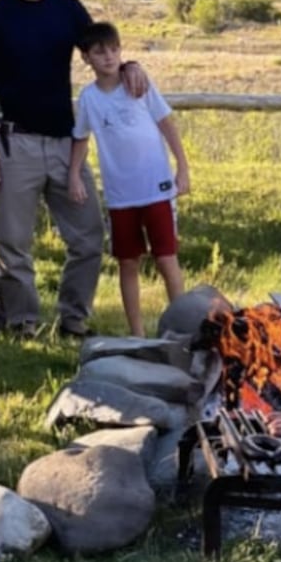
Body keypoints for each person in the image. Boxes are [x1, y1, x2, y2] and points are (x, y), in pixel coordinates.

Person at [0, 0, 147, 339]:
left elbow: (101, 53)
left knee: (88, 237)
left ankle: (73, 320)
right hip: (15, 144)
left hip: (67, 143)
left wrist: (130, 66)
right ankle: (24, 324)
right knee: (14, 245)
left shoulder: (68, 10)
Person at [69, 21, 190, 337]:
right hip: (121, 195)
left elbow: (166, 123)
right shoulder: (89, 99)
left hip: (156, 188)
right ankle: (137, 334)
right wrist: (73, 176)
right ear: (86, 58)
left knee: (166, 259)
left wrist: (183, 167)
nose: (109, 57)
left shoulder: (138, 84)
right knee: (128, 262)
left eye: (114, 49)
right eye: (99, 52)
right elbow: (81, 137)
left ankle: (181, 330)